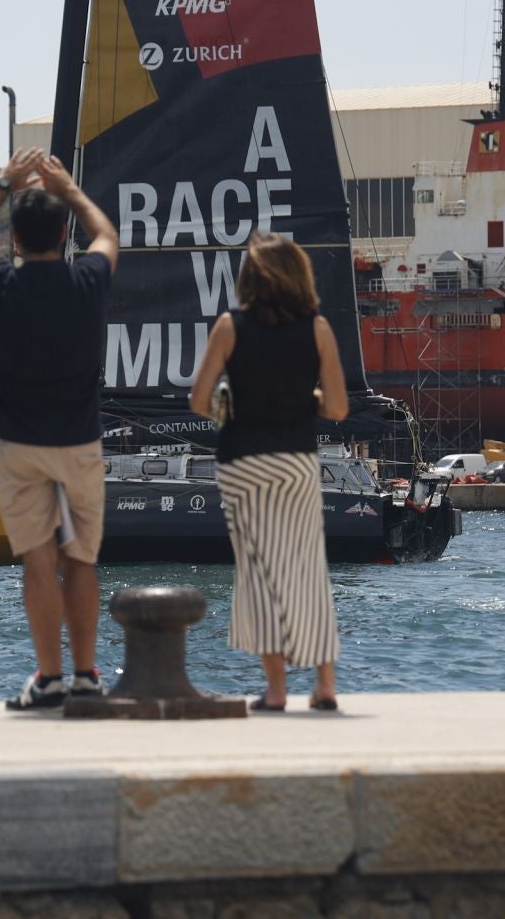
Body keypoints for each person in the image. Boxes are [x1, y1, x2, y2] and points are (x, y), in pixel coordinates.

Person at [0, 148, 118, 710]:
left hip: (21, 442)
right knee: (81, 561)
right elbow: (108, 236)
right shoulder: (88, 280)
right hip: (79, 440)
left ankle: (48, 678)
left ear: (17, 242)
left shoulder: (4, 283)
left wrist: (2, 184)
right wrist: (69, 189)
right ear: (64, 234)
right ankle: (86, 675)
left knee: (39, 561)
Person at [189, 233, 348, 712]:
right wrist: (304, 398)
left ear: (250, 279)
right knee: (307, 568)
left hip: (243, 461)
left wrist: (234, 407)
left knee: (258, 571)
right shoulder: (318, 328)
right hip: (295, 461)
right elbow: (337, 408)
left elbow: (198, 400)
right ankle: (324, 685)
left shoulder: (229, 327)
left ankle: (276, 690)